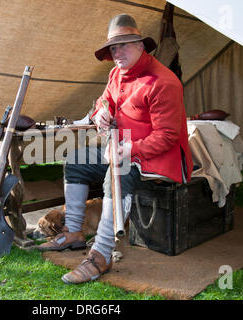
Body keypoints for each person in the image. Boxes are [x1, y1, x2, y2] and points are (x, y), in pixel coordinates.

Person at [38, 13, 193, 284]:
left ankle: (102, 253)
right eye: (113, 47)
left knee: (117, 172)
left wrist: (128, 150)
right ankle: (74, 231)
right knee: (76, 160)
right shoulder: (116, 73)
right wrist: (100, 112)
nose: (117, 52)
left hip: (160, 158)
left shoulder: (163, 82)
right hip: (123, 150)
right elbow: (104, 100)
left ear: (141, 45)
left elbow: (168, 136)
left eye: (124, 45)